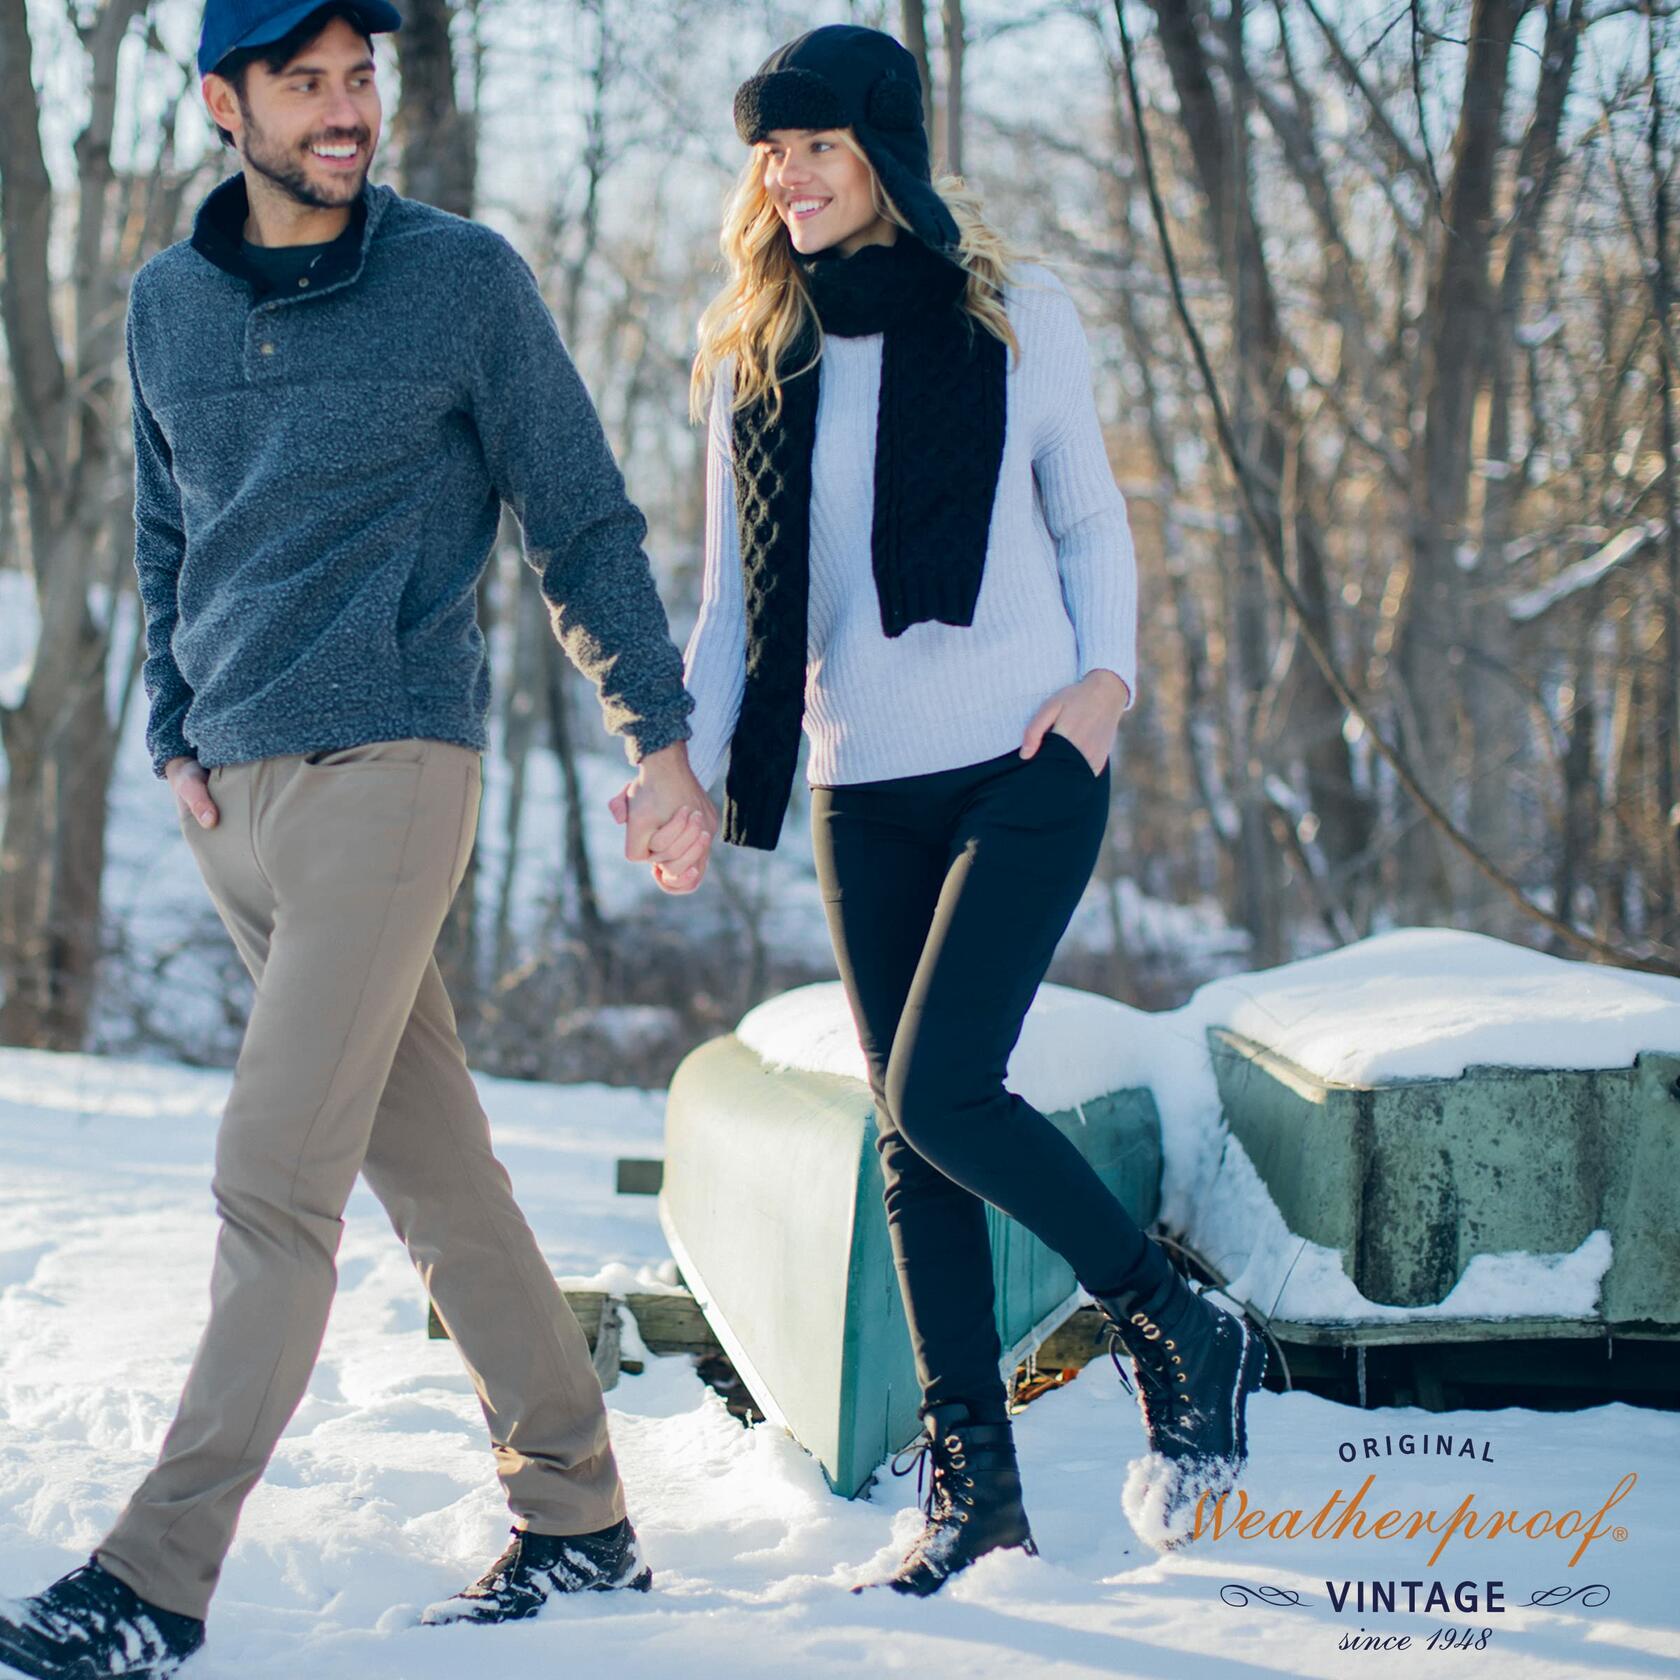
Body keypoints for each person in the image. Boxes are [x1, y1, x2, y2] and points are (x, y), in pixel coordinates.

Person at [0, 4, 716, 1675]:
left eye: (360, 77)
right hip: (237, 801)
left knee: (272, 1186)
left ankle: (154, 1580)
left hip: (389, 771)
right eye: (306, 81)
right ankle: (580, 1518)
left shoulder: (461, 281)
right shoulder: (167, 303)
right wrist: (175, 727)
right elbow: (168, 525)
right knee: (440, 1180)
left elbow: (578, 511)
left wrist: (660, 740)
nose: (345, 110)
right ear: (224, 102)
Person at [678, 24, 1265, 1597]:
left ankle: (1167, 1314)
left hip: (1024, 760)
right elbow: (733, 610)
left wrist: (1107, 687)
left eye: (815, 144)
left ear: (885, 144)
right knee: (913, 1139)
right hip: (857, 783)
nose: (788, 178)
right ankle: (975, 1497)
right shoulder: (754, 351)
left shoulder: (1016, 315)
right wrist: (681, 767)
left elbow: (1091, 516)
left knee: (940, 1091)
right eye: (770, 153)